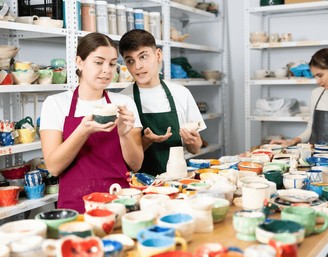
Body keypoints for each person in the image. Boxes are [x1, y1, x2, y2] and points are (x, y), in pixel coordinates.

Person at [40, 32, 144, 213]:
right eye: (99, 62)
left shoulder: (124, 104)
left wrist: (123, 134)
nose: (107, 70)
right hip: (76, 203)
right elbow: (54, 167)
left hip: (120, 200)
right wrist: (83, 131)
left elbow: (136, 164)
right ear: (79, 62)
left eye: (112, 63)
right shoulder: (55, 103)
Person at [119, 29, 206, 176]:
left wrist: (192, 141)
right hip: (138, 184)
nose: (137, 66)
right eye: (130, 60)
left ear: (158, 55)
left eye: (143, 56)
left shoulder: (181, 93)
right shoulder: (123, 101)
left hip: (176, 181)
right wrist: (146, 140)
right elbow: (126, 161)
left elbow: (195, 149)